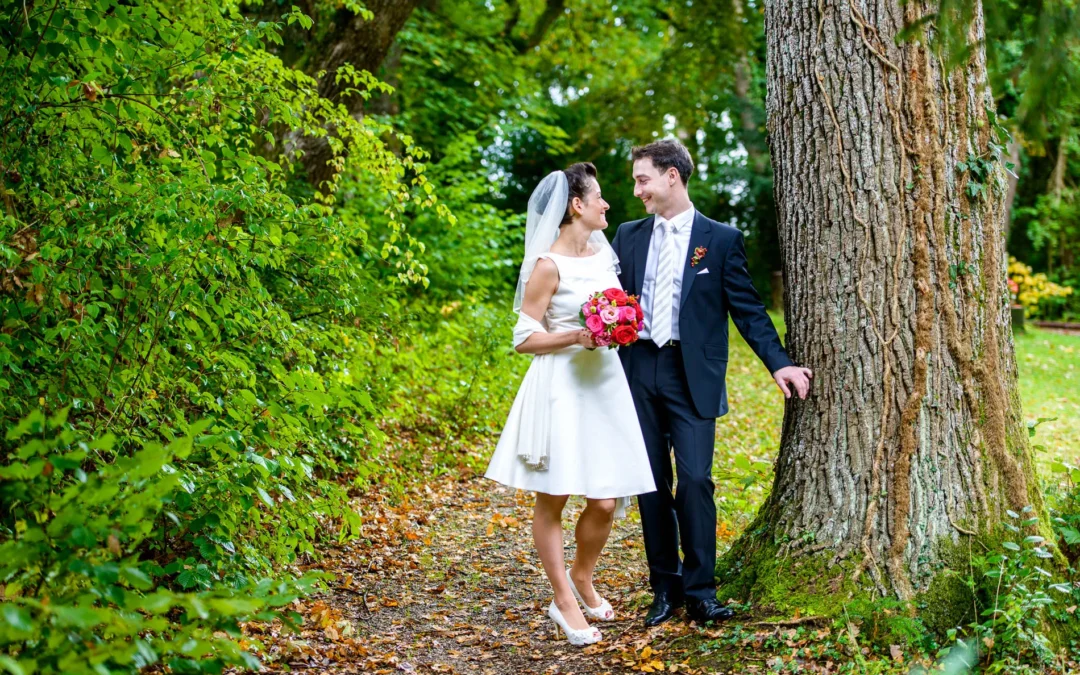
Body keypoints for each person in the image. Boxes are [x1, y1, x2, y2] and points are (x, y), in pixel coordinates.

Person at [610, 139, 812, 627]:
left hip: (691, 376)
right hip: (637, 369)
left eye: (643, 179)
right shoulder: (628, 235)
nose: (637, 190)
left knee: (695, 481)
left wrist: (779, 363)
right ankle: (665, 587)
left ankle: (701, 589)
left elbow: (747, 310)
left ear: (672, 177)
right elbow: (608, 298)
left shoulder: (720, 240)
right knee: (651, 483)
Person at [484, 163, 657, 646]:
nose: (606, 204)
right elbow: (524, 337)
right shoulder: (547, 265)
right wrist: (576, 336)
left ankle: (583, 576)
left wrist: (622, 322)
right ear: (577, 206)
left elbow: (620, 308)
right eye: (598, 197)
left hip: (603, 383)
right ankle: (562, 599)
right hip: (561, 387)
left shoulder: (603, 255)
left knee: (605, 498)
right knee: (554, 495)